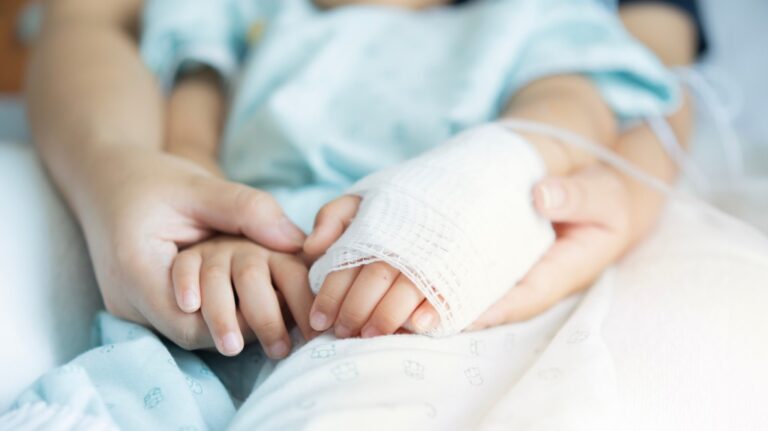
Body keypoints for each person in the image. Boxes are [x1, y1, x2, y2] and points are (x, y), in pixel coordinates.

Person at [27, 0, 697, 359]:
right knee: (147, 366)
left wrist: (484, 175)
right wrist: (217, 236)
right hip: (265, 252)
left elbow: (571, 110)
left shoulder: (526, 19)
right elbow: (189, 137)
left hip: (441, 259)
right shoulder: (255, 16)